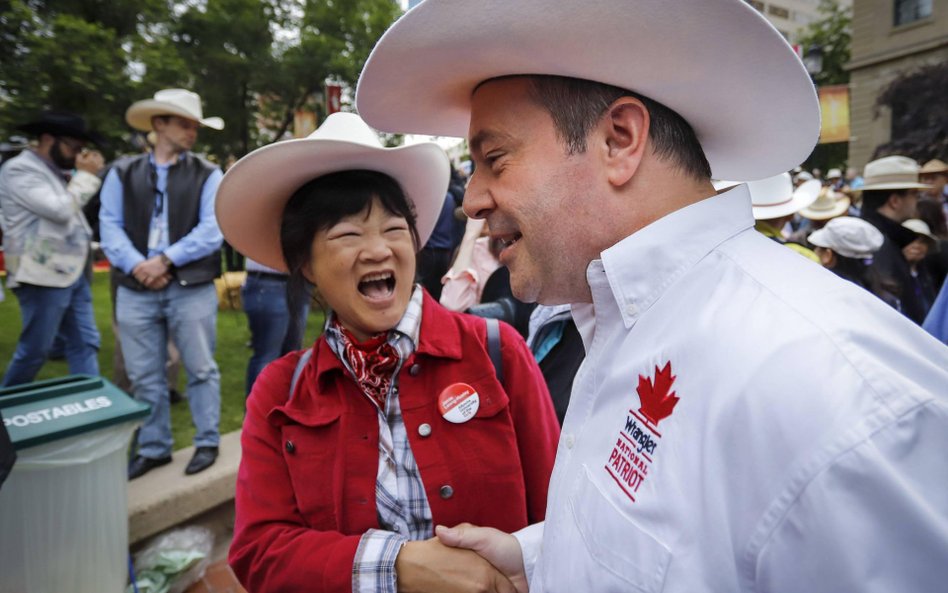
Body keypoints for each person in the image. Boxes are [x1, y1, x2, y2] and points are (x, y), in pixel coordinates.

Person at [355, 1, 948, 591]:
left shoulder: (838, 394)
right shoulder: (619, 320)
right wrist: (535, 557)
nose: (472, 198)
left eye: (496, 159)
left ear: (619, 140)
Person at [216, 112, 560, 593]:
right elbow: (259, 554)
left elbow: (562, 518)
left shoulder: (497, 353)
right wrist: (399, 565)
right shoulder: (280, 391)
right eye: (347, 235)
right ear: (306, 265)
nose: (378, 250)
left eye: (394, 229)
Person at [100, 89, 226, 479]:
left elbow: (214, 227)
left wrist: (165, 260)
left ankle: (207, 440)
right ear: (159, 124)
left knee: (200, 368)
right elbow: (109, 226)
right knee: (143, 374)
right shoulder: (122, 172)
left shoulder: (208, 173)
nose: (192, 132)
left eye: (194, 125)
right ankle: (154, 446)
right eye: (185, 124)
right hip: (136, 288)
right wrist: (140, 266)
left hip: (189, 285)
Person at [0, 111, 105, 386]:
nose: (77, 155)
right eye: (74, 147)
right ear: (48, 139)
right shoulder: (19, 170)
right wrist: (86, 177)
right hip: (40, 275)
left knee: (86, 342)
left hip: (72, 273)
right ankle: (7, 406)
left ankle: (91, 408)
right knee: (36, 350)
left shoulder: (54, 172)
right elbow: (59, 210)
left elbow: (67, 221)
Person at [859, 155, 933, 324]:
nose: (917, 201)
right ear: (894, 201)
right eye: (914, 194)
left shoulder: (885, 238)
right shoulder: (877, 243)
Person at [241, 256, 308, 395]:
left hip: (298, 282)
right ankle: (257, 413)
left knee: (293, 354)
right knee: (267, 355)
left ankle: (284, 409)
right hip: (268, 280)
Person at [806, 216, 898, 308]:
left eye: (818, 248)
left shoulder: (824, 295)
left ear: (828, 255)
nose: (815, 251)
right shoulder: (883, 290)